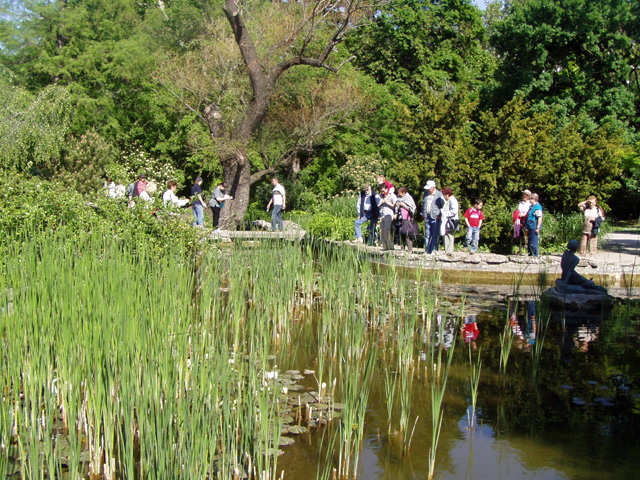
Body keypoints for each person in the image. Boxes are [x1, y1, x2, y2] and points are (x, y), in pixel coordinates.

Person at [422, 180, 444, 254]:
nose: (428, 189)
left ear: (433, 187)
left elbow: (442, 206)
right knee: (427, 234)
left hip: (435, 217)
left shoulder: (439, 194)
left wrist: (439, 215)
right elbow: (424, 204)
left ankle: (435, 249)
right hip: (427, 216)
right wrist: (424, 215)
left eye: (429, 188)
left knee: (435, 234)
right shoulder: (425, 193)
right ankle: (427, 249)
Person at [396, 187, 418, 253]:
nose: (398, 194)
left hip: (407, 219)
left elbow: (412, 208)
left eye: (399, 192)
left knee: (407, 233)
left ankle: (410, 249)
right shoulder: (399, 198)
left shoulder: (408, 198)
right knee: (401, 233)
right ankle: (402, 248)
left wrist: (403, 205)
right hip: (400, 218)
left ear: (403, 192)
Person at [377, 184, 397, 251]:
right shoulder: (381, 197)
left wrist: (386, 202)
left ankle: (390, 246)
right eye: (381, 191)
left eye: (383, 191)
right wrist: (381, 202)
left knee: (387, 230)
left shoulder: (392, 196)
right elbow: (377, 206)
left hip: (389, 214)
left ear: (386, 189)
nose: (382, 192)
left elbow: (395, 205)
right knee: (382, 231)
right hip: (382, 215)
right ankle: (385, 247)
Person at [440, 187, 459, 254]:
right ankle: (447, 250)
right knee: (446, 234)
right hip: (449, 220)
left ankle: (449, 251)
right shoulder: (449, 200)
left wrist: (445, 214)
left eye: (444, 194)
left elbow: (454, 211)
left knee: (449, 235)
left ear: (447, 194)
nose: (443, 196)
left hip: (451, 220)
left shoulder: (452, 200)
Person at [513, 190, 531, 254]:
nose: (523, 196)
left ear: (528, 196)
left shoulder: (529, 204)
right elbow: (518, 210)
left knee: (526, 235)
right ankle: (520, 249)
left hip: (526, 220)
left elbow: (528, 212)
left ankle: (526, 249)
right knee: (520, 235)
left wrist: (523, 214)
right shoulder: (521, 203)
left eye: (525, 194)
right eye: (523, 194)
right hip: (520, 221)